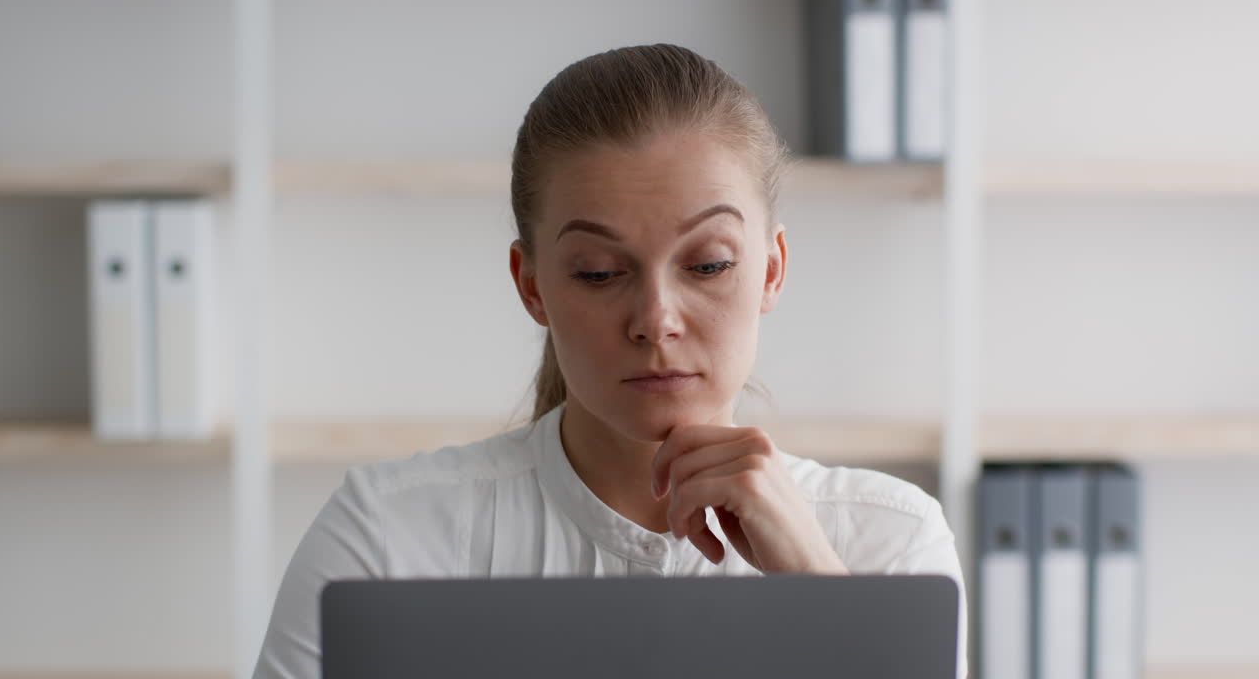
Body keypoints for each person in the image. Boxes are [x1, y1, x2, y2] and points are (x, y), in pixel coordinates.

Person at [254, 44, 968, 678]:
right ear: (532, 286)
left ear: (772, 271)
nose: (656, 319)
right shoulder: (387, 538)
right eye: (598, 272)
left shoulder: (889, 544)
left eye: (709, 264)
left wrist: (820, 591)